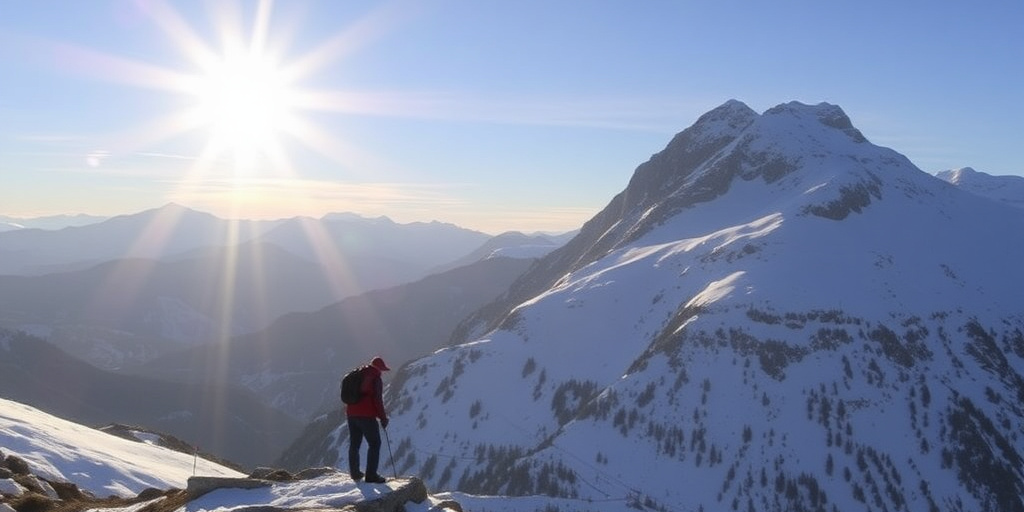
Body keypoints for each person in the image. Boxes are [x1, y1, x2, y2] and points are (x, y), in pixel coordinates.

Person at [345, 356, 390, 483]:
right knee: (375, 444)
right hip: (367, 416)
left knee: (354, 443)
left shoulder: (358, 374)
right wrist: (383, 418)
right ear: (379, 368)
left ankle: (355, 473)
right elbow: (378, 400)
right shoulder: (375, 378)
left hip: (351, 413)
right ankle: (371, 475)